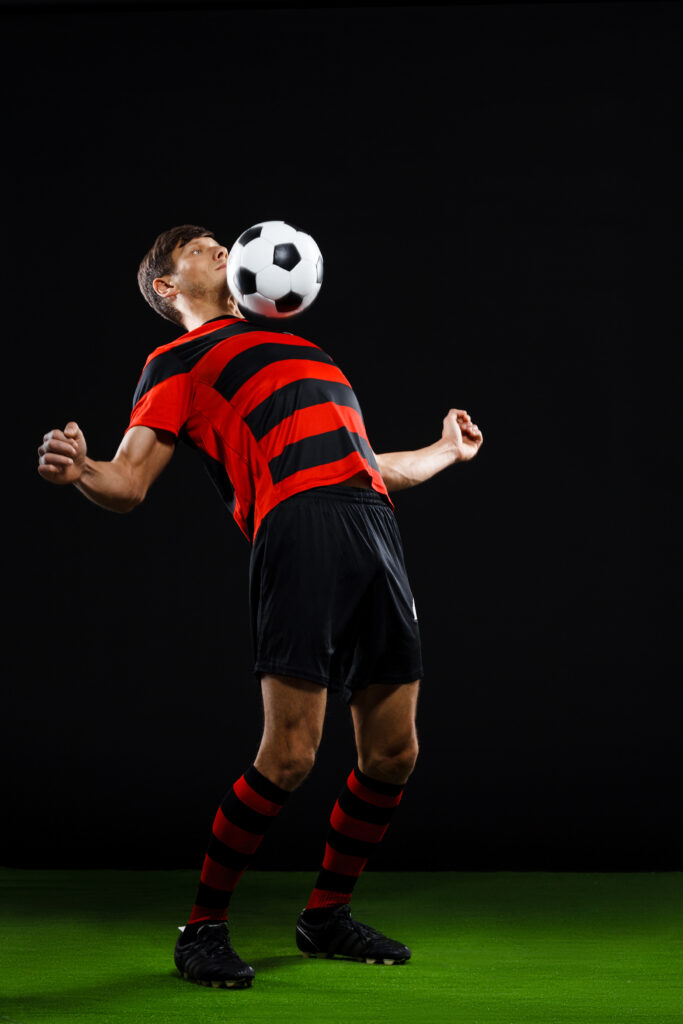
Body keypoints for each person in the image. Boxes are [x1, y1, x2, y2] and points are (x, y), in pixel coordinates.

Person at [37, 224, 483, 990]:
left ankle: (324, 917)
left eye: (220, 240)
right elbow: (129, 481)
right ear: (165, 289)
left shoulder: (304, 348)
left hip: (372, 526)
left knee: (394, 753)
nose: (217, 247)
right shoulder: (174, 361)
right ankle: (202, 928)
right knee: (290, 756)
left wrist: (444, 451)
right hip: (297, 528)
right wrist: (82, 468)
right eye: (197, 246)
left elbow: (368, 466)